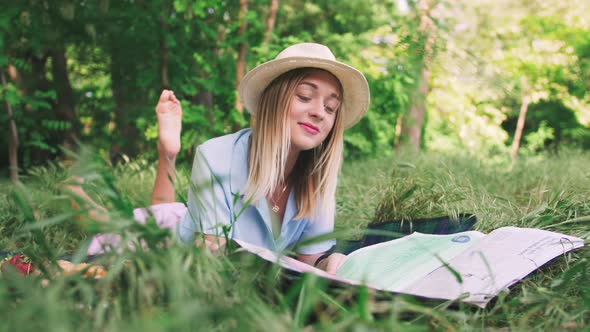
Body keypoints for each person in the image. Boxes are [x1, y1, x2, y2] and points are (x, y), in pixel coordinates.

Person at [70, 43, 370, 274]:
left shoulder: (317, 179)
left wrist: (330, 264)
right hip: (168, 243)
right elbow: (216, 268)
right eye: (305, 96)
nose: (320, 112)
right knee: (107, 224)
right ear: (274, 100)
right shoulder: (217, 156)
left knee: (162, 212)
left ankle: (166, 154)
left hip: (187, 220)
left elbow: (309, 264)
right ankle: (75, 190)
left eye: (331, 108)